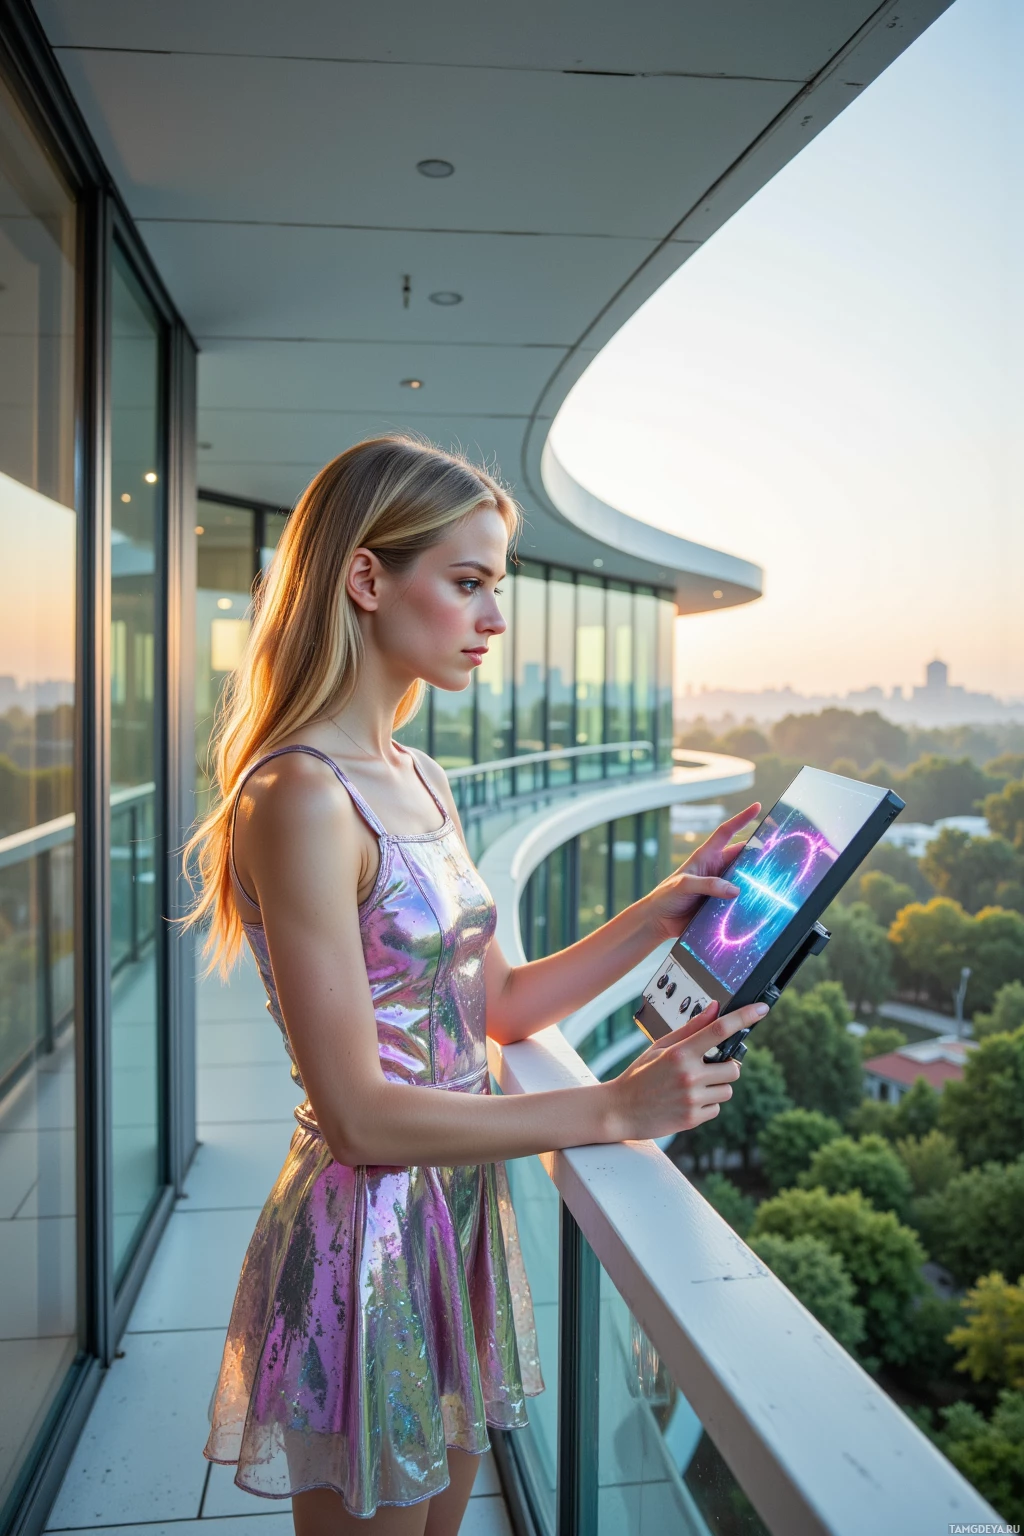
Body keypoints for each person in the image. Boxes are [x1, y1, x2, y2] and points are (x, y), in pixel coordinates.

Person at [185, 436, 763, 1536]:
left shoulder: (418, 774)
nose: (494, 620)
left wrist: (664, 909)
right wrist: (611, 1108)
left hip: (453, 1206)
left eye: (494, 587)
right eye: (467, 584)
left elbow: (491, 1007)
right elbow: (356, 1116)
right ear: (366, 580)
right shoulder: (300, 798)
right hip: (371, 1227)